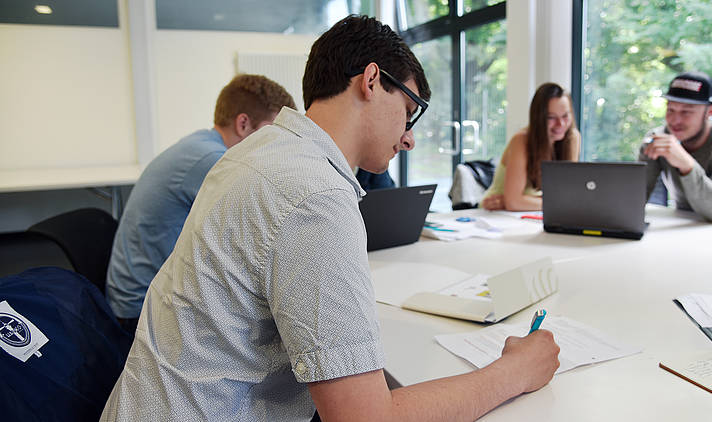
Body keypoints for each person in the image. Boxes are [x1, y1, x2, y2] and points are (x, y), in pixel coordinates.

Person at [101, 15, 559, 422]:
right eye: (409, 113)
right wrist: (512, 372)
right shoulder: (314, 194)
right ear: (372, 81)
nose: (409, 139)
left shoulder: (259, 152)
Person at [105, 74, 296, 333]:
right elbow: (267, 222)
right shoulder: (212, 160)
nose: (276, 146)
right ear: (243, 124)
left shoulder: (201, 144)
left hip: (138, 297)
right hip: (141, 313)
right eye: (271, 133)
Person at [639, 71, 712, 221]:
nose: (675, 120)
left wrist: (686, 164)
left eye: (686, 112)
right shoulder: (658, 140)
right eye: (671, 109)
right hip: (687, 225)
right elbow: (636, 198)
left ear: (710, 111)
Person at [481, 83, 581, 211]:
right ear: (538, 118)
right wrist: (560, 203)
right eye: (551, 117)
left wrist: (519, 202)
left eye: (565, 116)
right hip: (495, 213)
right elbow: (514, 203)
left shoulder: (573, 137)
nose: (560, 124)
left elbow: (566, 194)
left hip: (532, 212)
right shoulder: (521, 140)